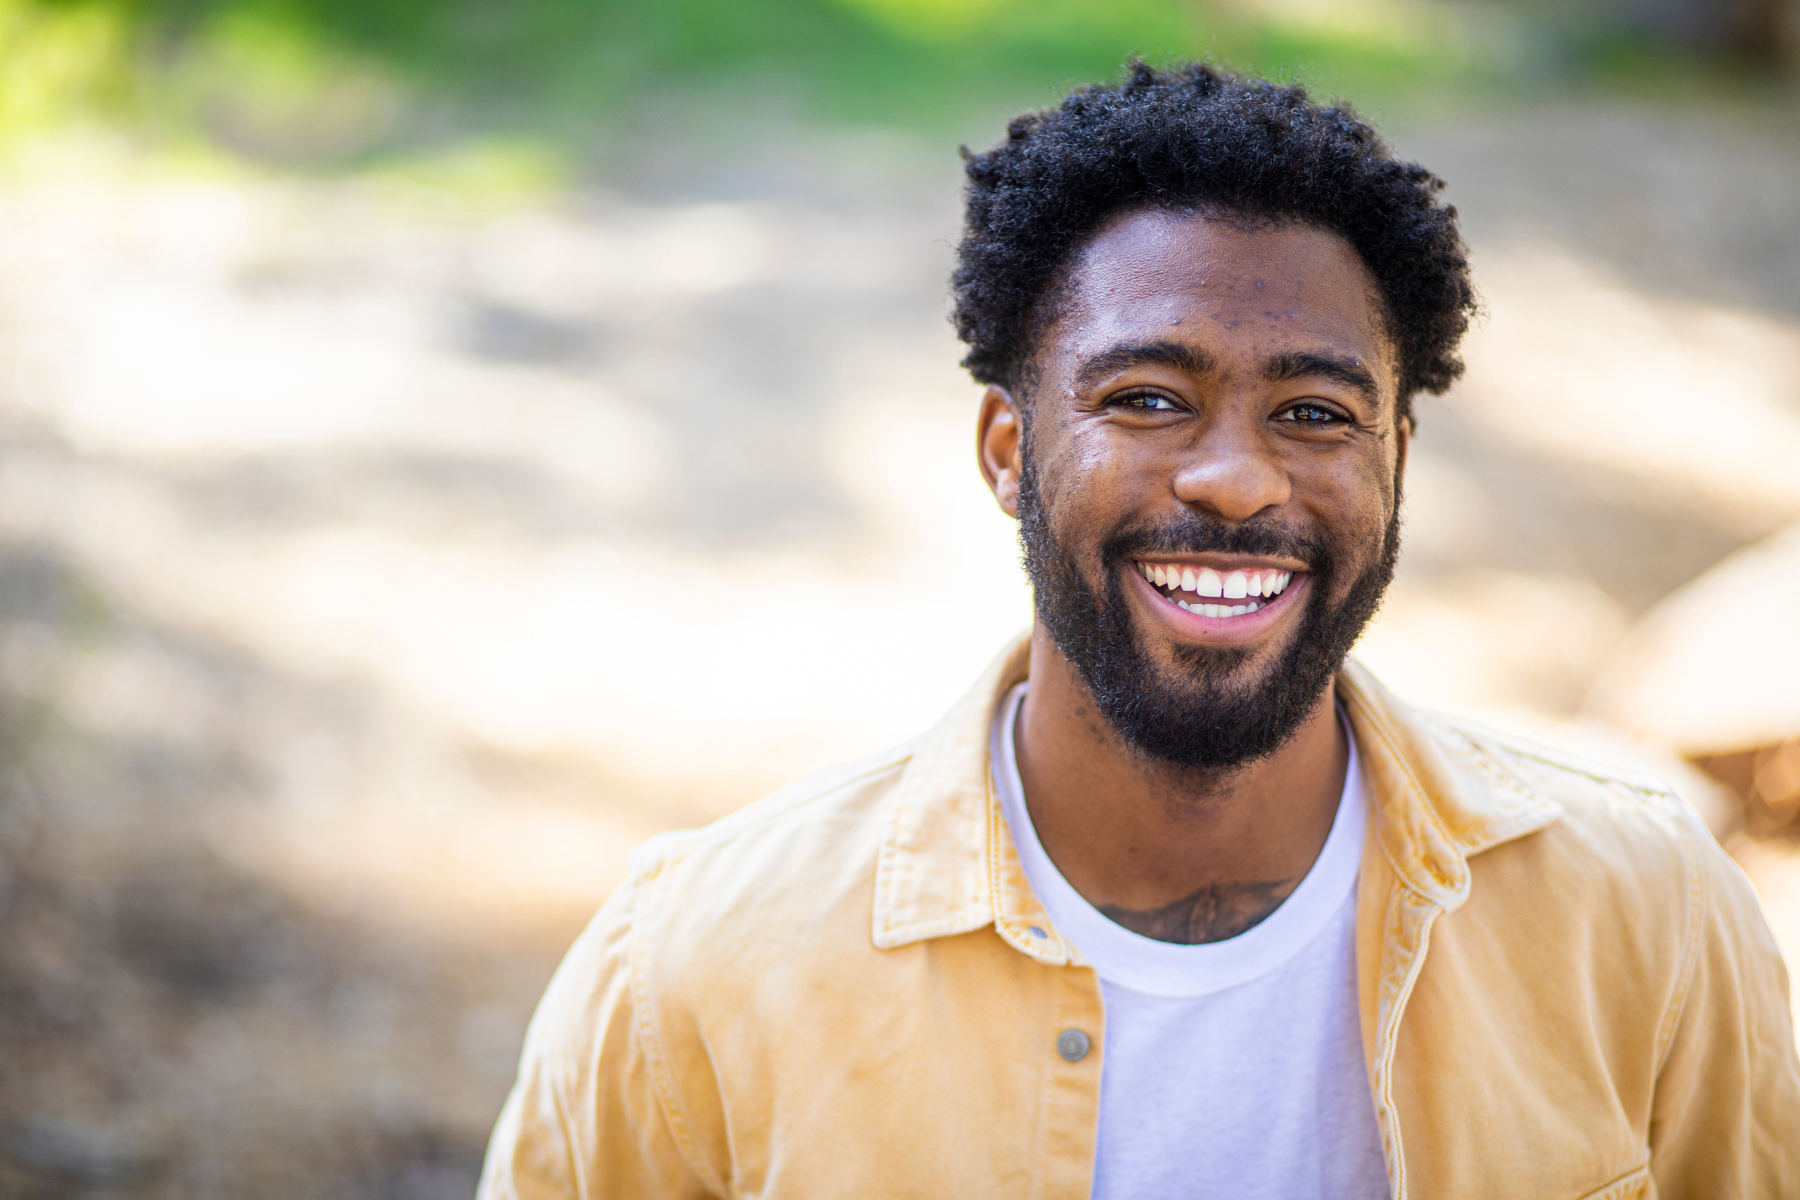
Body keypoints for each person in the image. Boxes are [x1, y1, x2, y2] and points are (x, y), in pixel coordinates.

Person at [478, 62, 1800, 1199]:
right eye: (1150, 397)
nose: (1234, 476)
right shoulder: (694, 966)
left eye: (1317, 413)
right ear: (1010, 450)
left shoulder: (1647, 920)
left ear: (1397, 457)